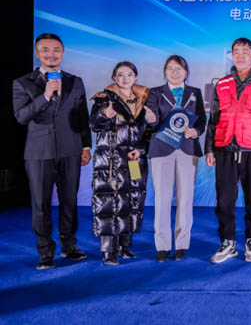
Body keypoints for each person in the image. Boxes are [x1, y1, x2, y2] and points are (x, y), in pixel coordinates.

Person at [12, 33, 92, 270]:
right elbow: (21, 116)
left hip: (71, 150)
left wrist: (86, 145)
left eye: (56, 50)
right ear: (37, 53)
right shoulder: (22, 83)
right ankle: (45, 251)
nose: (51, 54)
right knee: (41, 204)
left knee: (70, 201)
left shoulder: (75, 81)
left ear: (63, 53)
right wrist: (45, 96)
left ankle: (69, 245)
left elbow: (82, 116)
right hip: (39, 152)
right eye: (45, 50)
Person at [205, 38, 251, 264]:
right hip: (225, 148)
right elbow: (213, 118)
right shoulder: (222, 83)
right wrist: (209, 149)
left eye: (245, 51)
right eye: (236, 52)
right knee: (224, 200)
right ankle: (228, 242)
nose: (240, 55)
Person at [89, 61, 156, 265]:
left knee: (132, 200)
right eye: (120, 75)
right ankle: (108, 250)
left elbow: (149, 134)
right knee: (108, 204)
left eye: (129, 74)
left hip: (134, 161)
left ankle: (125, 246)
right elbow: (94, 125)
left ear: (136, 77)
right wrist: (105, 115)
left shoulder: (144, 101)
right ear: (114, 78)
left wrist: (141, 148)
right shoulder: (104, 99)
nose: (125, 78)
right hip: (110, 161)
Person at [146, 55, 206, 263]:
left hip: (187, 149)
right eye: (170, 68)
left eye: (179, 69)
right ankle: (162, 246)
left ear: (186, 72)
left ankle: (182, 244)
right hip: (161, 149)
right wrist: (150, 118)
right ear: (165, 71)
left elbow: (202, 121)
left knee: (185, 198)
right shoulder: (155, 92)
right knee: (162, 199)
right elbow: (152, 120)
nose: (174, 72)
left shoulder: (195, 93)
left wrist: (196, 132)